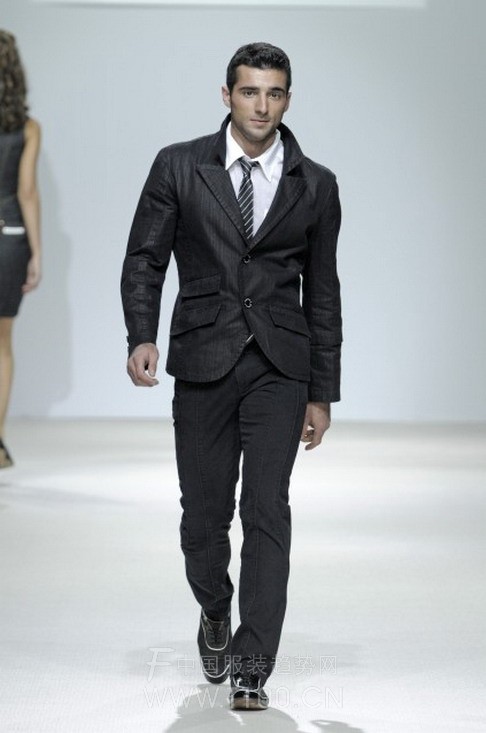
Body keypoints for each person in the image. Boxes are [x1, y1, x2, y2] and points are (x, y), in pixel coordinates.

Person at [121, 42, 342, 711]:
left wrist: (322, 391)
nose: (261, 106)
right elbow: (145, 258)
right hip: (203, 359)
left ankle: (251, 665)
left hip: (280, 365)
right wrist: (141, 334)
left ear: (288, 99)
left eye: (274, 93)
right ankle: (215, 607)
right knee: (203, 518)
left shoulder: (316, 183)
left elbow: (323, 291)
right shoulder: (179, 165)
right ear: (227, 95)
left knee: (267, 509)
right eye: (250, 92)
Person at [0, 30, 41, 469]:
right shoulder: (27, 128)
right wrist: (37, 254)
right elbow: (26, 192)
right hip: (9, 237)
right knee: (2, 344)